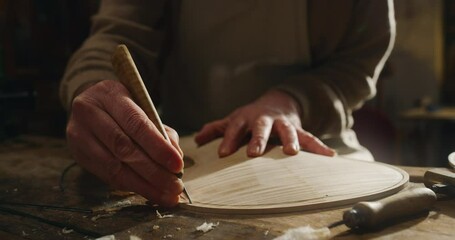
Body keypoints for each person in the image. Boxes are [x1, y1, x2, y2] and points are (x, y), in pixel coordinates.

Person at [60, 0, 395, 207]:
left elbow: (359, 61)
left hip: (314, 144)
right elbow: (116, 37)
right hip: (186, 152)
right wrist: (93, 87)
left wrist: (291, 100)